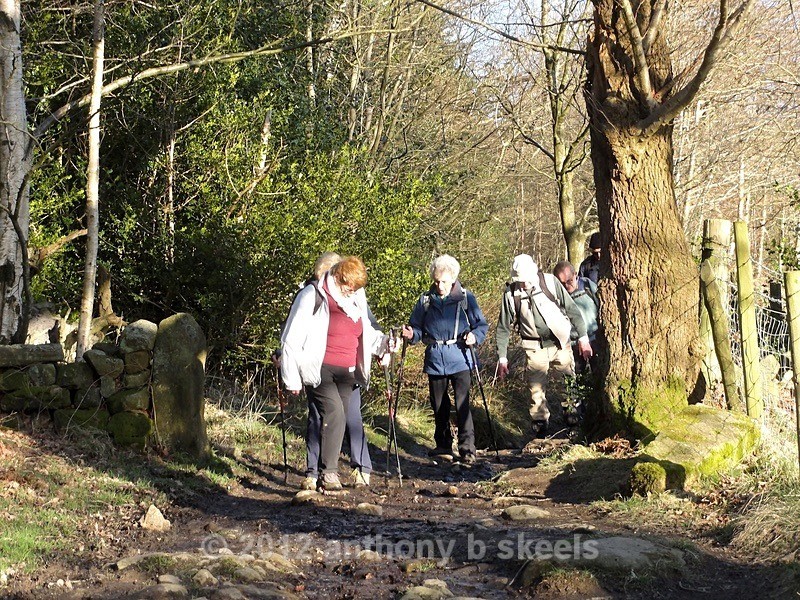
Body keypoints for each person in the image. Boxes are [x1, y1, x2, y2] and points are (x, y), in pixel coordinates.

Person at [281, 256, 390, 491]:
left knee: (335, 422)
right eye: (348, 288)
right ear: (338, 277)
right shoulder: (313, 295)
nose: (351, 293)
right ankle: (329, 474)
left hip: (348, 370)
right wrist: (291, 377)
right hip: (319, 368)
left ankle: (321, 473)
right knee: (335, 413)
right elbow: (291, 337)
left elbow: (366, 331)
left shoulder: (356, 298)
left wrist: (384, 344)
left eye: (355, 290)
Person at [401, 255, 489, 463]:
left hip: (461, 357)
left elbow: (481, 325)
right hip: (435, 359)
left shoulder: (466, 298)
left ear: (453, 280)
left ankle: (467, 448)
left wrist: (474, 336)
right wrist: (410, 334)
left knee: (462, 404)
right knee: (438, 404)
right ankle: (443, 445)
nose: (440, 286)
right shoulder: (425, 300)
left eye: (444, 281)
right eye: (436, 281)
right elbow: (417, 328)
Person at [496, 254, 592, 436]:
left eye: (525, 279)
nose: (523, 283)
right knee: (536, 390)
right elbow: (503, 328)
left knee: (568, 383)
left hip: (561, 343)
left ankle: (574, 422)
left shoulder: (550, 282)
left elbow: (572, 310)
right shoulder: (510, 294)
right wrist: (502, 358)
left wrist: (583, 338)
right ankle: (540, 428)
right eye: (519, 280)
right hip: (534, 347)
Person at [553, 260, 600, 374]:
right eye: (562, 283)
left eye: (569, 281)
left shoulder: (588, 286)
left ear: (575, 275)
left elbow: (601, 306)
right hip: (574, 344)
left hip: (596, 339)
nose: (566, 286)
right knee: (578, 377)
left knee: (599, 373)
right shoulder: (556, 297)